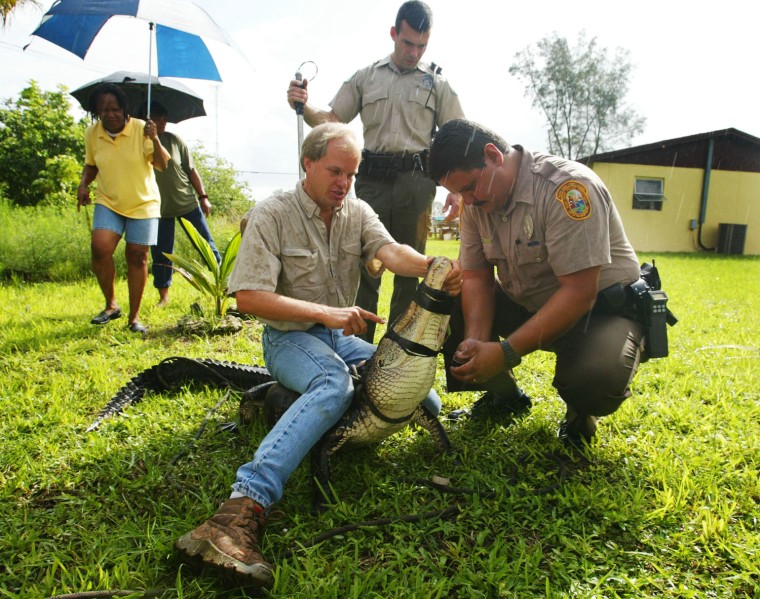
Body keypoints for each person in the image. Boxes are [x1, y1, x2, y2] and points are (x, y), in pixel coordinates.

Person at [174, 123, 461, 589]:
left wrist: (436, 267)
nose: (344, 183)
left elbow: (391, 252)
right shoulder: (273, 214)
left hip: (336, 341)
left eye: (351, 173)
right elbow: (247, 297)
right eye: (335, 171)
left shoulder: (357, 210)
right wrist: (328, 313)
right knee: (335, 385)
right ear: (307, 163)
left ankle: (284, 401)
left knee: (425, 399)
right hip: (288, 338)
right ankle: (240, 509)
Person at [427, 118, 645, 446]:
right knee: (451, 293)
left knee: (593, 380)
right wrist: (475, 343)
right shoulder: (478, 202)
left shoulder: (567, 188)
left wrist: (505, 351)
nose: (466, 201)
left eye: (469, 187)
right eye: (459, 192)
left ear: (493, 156)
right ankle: (505, 396)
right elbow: (476, 277)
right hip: (529, 304)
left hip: (597, 312)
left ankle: (580, 414)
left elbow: (579, 293)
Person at [286, 0, 464, 344]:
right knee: (366, 264)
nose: (414, 52)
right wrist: (303, 104)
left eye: (421, 45)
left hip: (417, 183)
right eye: (408, 43)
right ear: (394, 34)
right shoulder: (366, 77)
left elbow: (455, 141)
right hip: (371, 181)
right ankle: (359, 345)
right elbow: (331, 123)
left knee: (410, 270)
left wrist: (454, 190)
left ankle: (396, 349)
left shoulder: (437, 84)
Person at [77, 83, 169, 335]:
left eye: (115, 108)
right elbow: (91, 164)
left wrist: (155, 137)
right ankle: (111, 305)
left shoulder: (141, 128)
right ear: (96, 112)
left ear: (124, 109)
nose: (110, 114)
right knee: (100, 247)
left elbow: (162, 165)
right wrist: (83, 184)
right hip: (109, 200)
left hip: (143, 203)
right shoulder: (92, 133)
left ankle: (134, 317)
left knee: (137, 255)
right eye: (103, 110)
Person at [143, 101, 221, 306]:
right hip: (157, 207)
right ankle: (164, 297)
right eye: (154, 118)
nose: (159, 123)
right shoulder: (139, 142)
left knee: (205, 244)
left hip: (186, 202)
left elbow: (191, 169)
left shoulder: (176, 140)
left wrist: (203, 197)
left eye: (162, 119)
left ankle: (225, 284)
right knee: (161, 252)